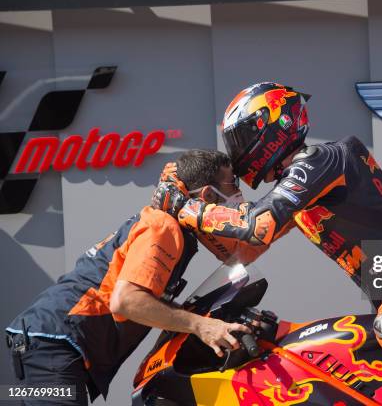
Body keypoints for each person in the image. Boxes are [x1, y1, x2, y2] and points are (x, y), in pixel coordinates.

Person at [154, 83, 382, 404]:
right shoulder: (302, 185)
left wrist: (186, 206)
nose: (238, 149)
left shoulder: (320, 160)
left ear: (276, 123)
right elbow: (245, 250)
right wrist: (184, 221)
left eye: (242, 136)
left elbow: (258, 226)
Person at [5, 150, 252, 405]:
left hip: (45, 342)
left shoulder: (164, 225)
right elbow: (127, 301)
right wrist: (202, 326)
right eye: (233, 183)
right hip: (54, 343)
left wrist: (201, 321)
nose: (238, 195)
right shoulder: (163, 226)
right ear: (208, 195)